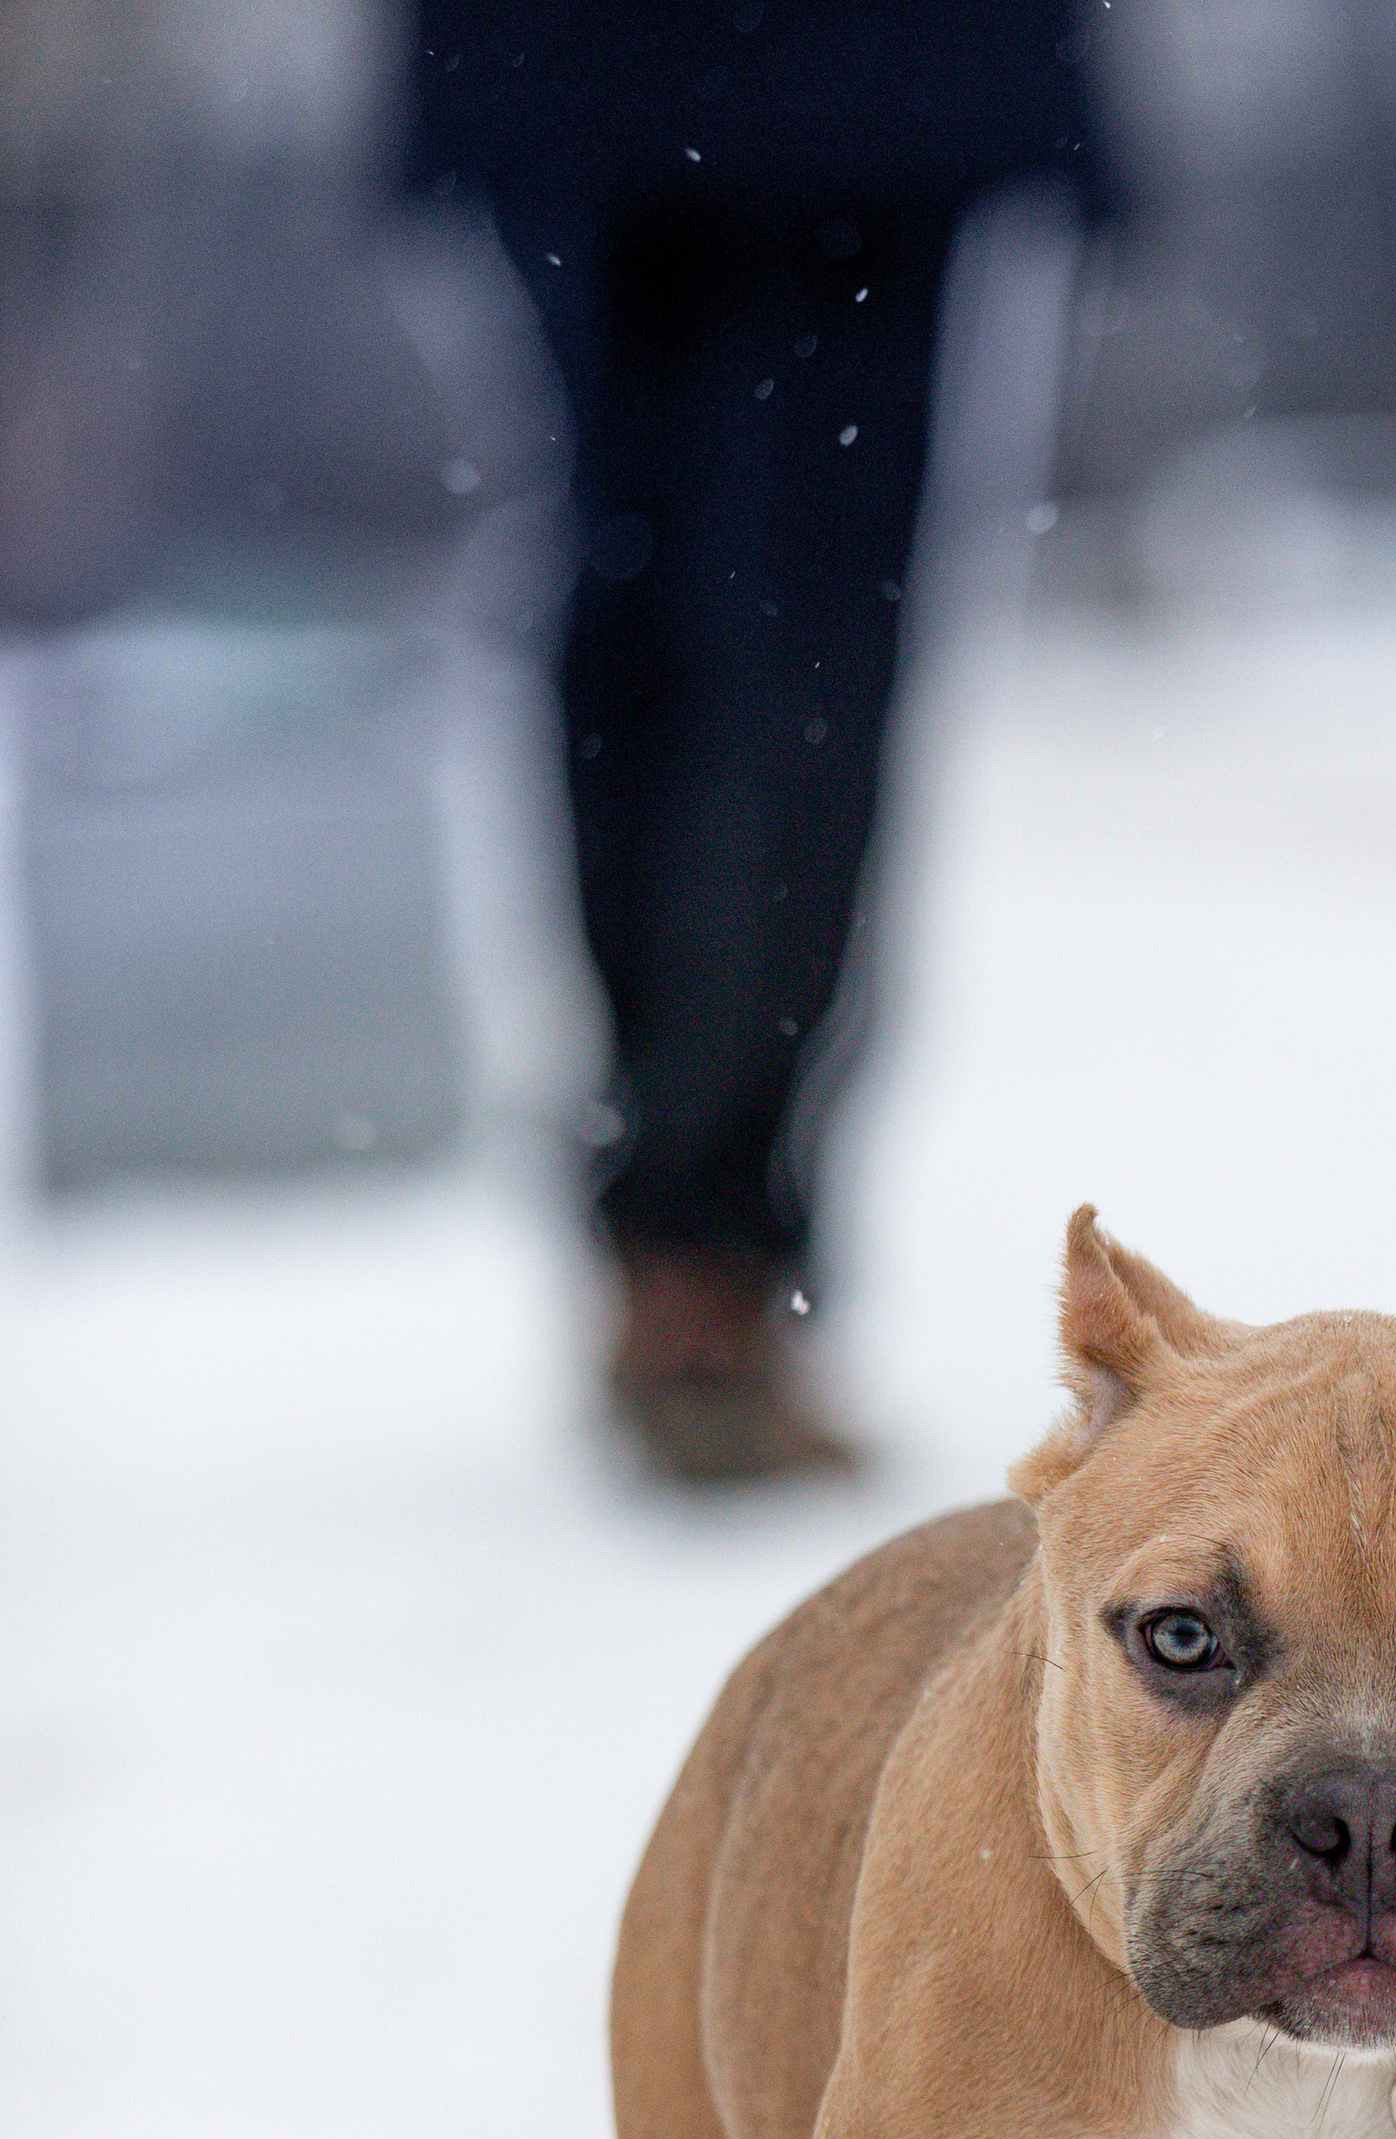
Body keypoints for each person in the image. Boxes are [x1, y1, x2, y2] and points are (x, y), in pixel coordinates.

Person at [410, 3, 1098, 1480]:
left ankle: (680, 1237)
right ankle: (704, 1247)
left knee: (640, 608)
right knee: (795, 629)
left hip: (586, 68)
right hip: (861, 83)